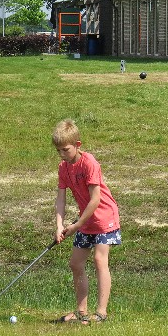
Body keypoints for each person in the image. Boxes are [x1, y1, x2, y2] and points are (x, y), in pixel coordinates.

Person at [52, 119, 121, 324]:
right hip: (85, 221)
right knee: (75, 263)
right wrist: (59, 225)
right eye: (58, 151)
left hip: (104, 219)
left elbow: (95, 200)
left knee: (100, 261)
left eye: (66, 150)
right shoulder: (63, 168)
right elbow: (61, 199)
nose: (62, 155)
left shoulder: (89, 163)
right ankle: (82, 312)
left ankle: (101, 312)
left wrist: (75, 226)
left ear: (78, 145)